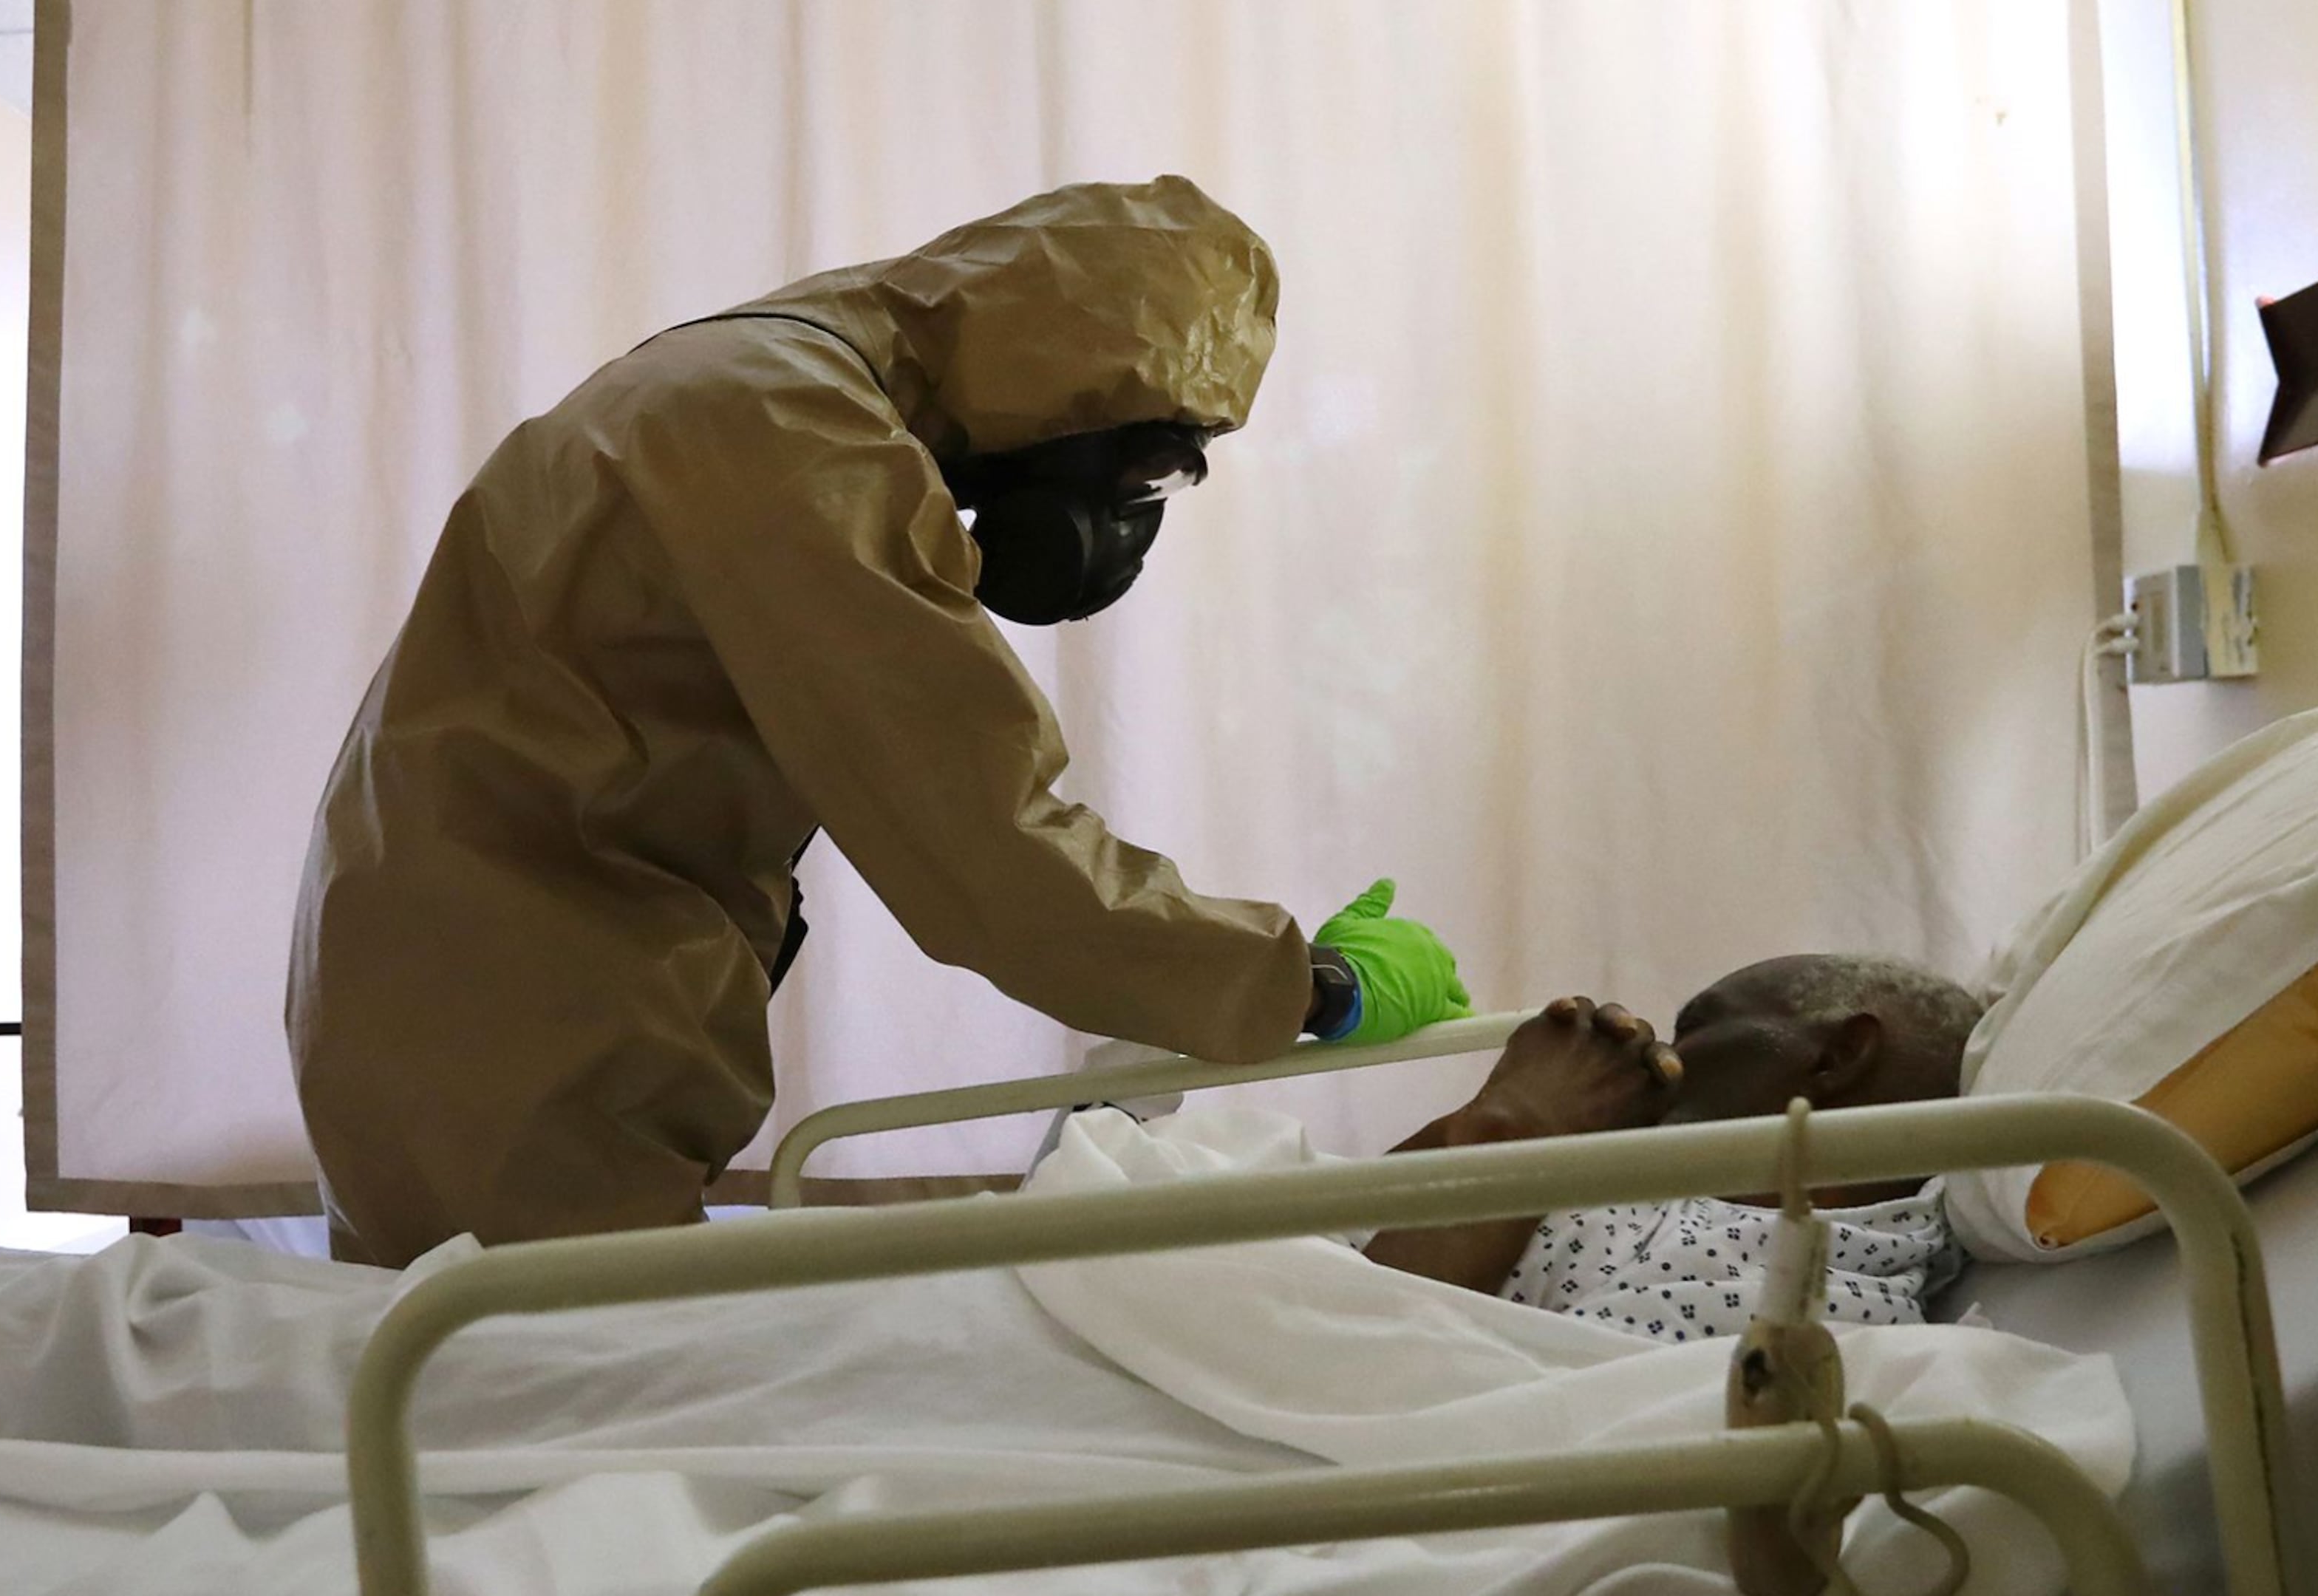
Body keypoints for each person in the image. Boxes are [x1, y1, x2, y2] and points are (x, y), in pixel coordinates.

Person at [288, 177, 1470, 1266]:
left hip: (461, 1002)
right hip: (516, 1031)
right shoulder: (795, 438)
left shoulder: (740, 377)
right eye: (1142, 474)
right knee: (566, 1431)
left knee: (481, 1404)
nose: (1128, 522)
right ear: (1066, 380)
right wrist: (1304, 989)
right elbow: (990, 852)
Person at [1362, 955, 1983, 1341]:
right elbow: (1346, 1228)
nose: (1663, 1060)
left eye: (1697, 1028)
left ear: (1838, 1058)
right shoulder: (1648, 1200)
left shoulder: (1805, 1311)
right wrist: (1501, 1120)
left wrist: (1515, 1126)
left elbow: (1367, 1380)